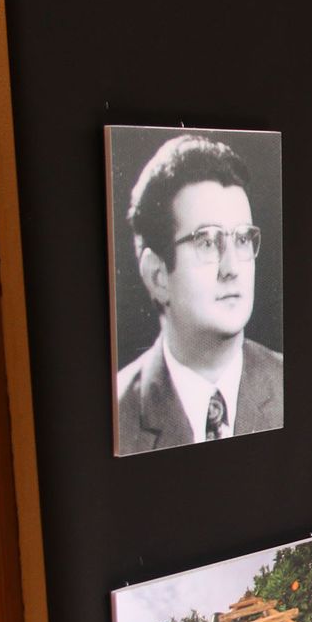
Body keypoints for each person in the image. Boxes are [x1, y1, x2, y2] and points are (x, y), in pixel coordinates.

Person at [117, 134, 283, 454]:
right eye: (207, 242)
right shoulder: (119, 414)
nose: (231, 268)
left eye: (242, 239)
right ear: (157, 275)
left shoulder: (290, 382)